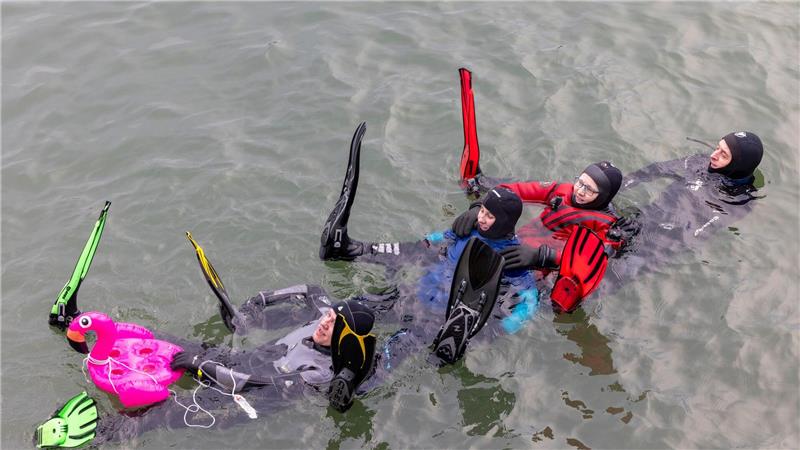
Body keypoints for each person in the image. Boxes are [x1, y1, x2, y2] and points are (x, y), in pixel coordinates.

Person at [319, 122, 538, 354]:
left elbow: (528, 300)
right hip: (413, 294)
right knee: (350, 312)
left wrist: (495, 330)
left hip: (438, 320)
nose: (481, 218)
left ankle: (362, 378)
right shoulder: (469, 228)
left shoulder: (513, 255)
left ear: (504, 222)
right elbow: (439, 239)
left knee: (394, 350)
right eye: (482, 211)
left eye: (489, 215)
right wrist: (427, 241)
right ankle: (350, 251)